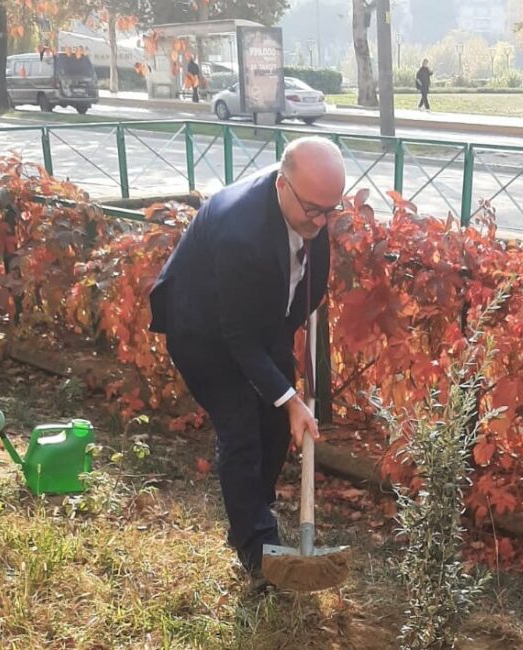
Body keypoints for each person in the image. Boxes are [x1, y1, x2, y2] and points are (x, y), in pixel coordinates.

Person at [148, 137, 344, 590]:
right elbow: (235, 337)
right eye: (313, 210)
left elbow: (306, 288)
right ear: (282, 185)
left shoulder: (312, 209)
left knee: (277, 426)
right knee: (241, 432)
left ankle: (250, 514)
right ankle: (261, 558)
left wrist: (290, 395)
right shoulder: (242, 232)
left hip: (257, 322)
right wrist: (289, 396)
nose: (321, 222)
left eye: (330, 211)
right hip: (204, 332)